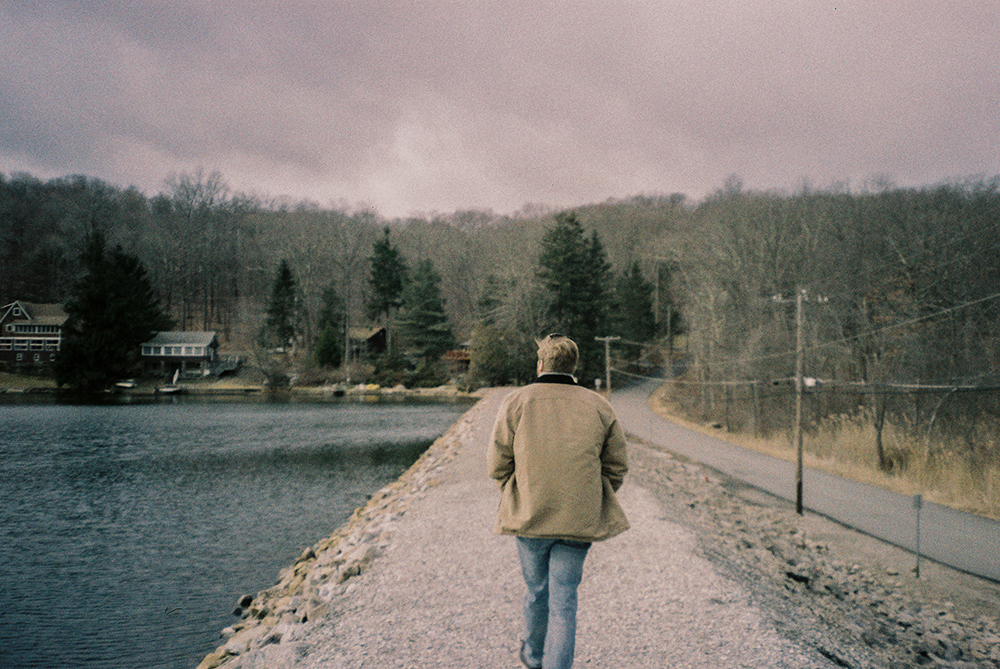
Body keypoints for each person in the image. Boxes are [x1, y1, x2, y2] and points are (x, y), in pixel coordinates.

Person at [488, 334, 629, 669]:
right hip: (577, 521)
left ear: (540, 364)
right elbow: (617, 466)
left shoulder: (517, 401)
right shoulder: (598, 405)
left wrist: (519, 492)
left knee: (537, 593)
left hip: (531, 518)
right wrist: (590, 496)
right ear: (573, 367)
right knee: (564, 602)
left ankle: (534, 657)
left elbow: (496, 464)